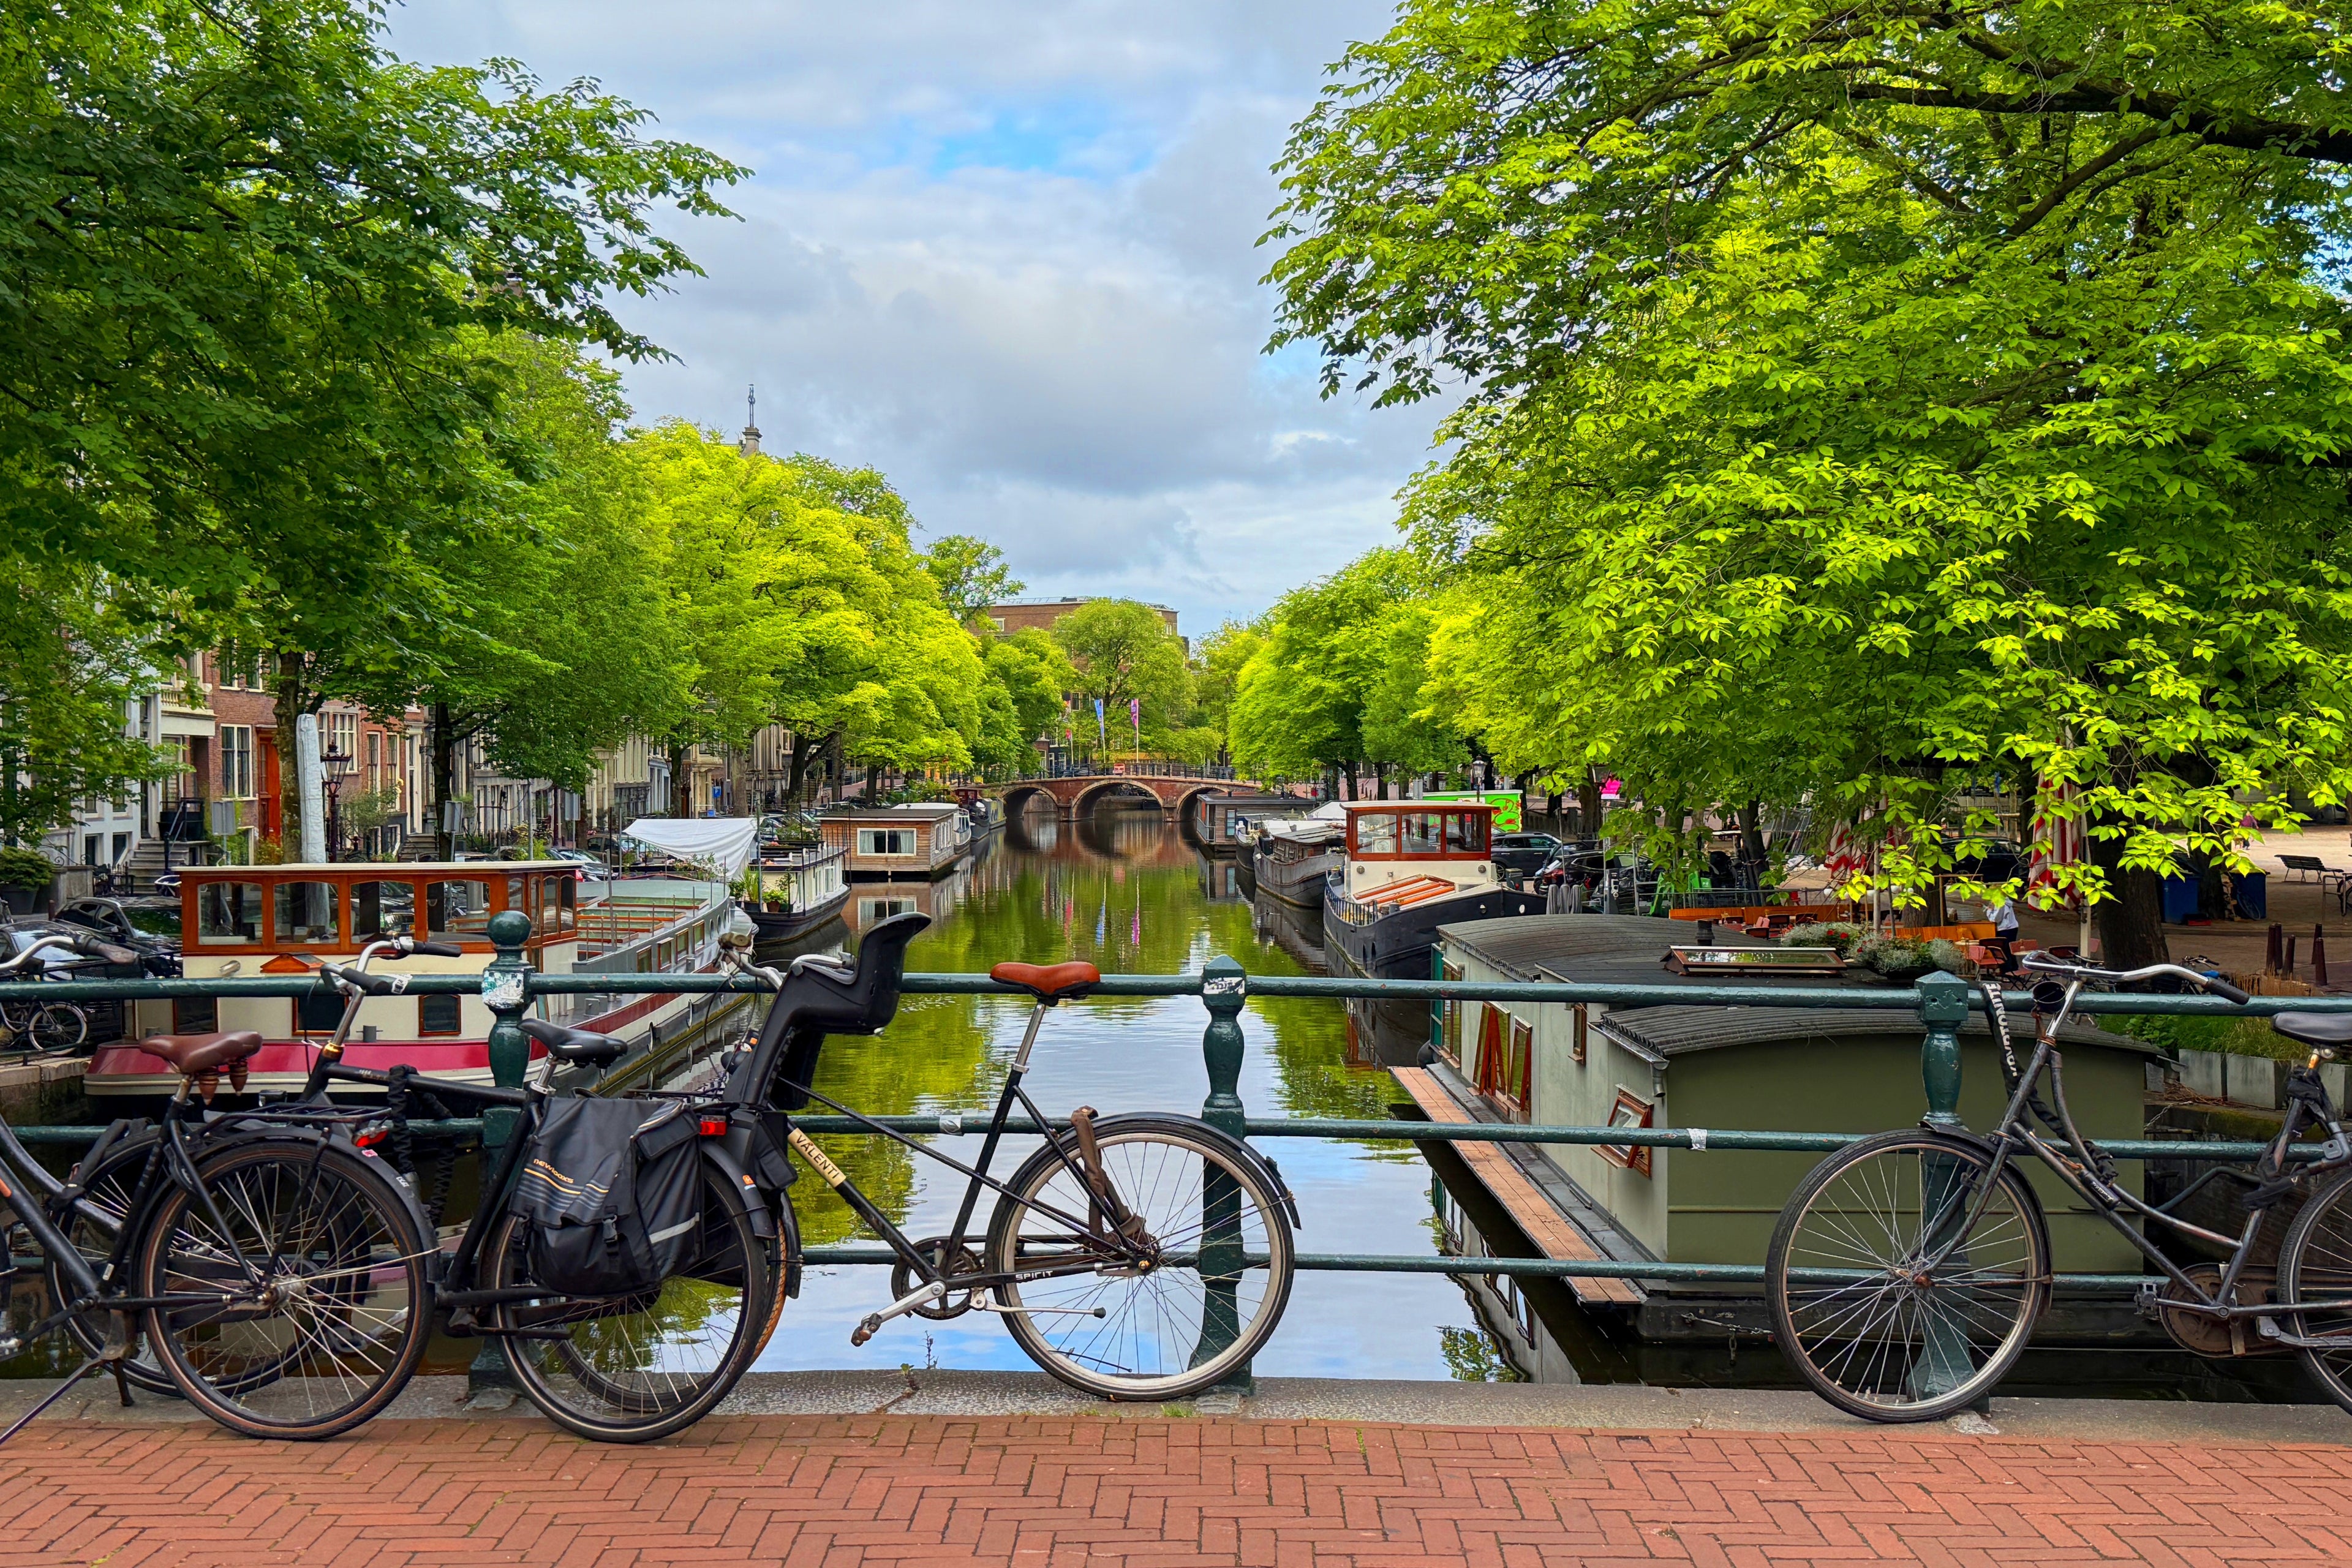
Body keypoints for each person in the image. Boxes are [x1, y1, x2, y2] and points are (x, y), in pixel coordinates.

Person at [1986, 895, 2022, 973]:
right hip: (2011, 928)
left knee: (2004, 951)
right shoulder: (2005, 901)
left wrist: (1990, 910)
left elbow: (1996, 919)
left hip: (2005, 929)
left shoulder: (2000, 902)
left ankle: (2007, 971)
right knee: (2009, 950)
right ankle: (2014, 969)